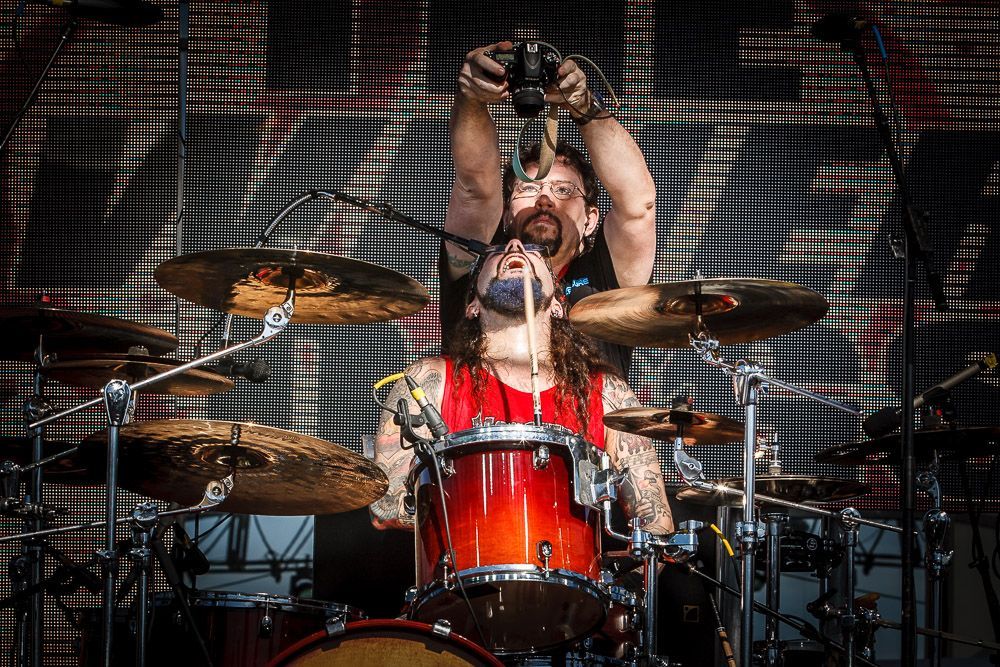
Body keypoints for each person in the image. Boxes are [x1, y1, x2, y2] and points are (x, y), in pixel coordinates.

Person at [372, 240, 673, 535]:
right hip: (464, 574)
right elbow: (385, 509)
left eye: (534, 252)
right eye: (495, 252)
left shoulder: (606, 390)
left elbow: (656, 521)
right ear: (472, 306)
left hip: (571, 576)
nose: (515, 246)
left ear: (558, 304)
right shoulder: (429, 379)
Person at [439, 41, 658, 377]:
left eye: (564, 190)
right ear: (507, 212)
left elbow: (637, 203)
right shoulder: (480, 264)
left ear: (590, 220)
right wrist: (472, 99)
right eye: (528, 188)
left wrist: (583, 105)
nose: (545, 199)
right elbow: (475, 189)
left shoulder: (604, 278)